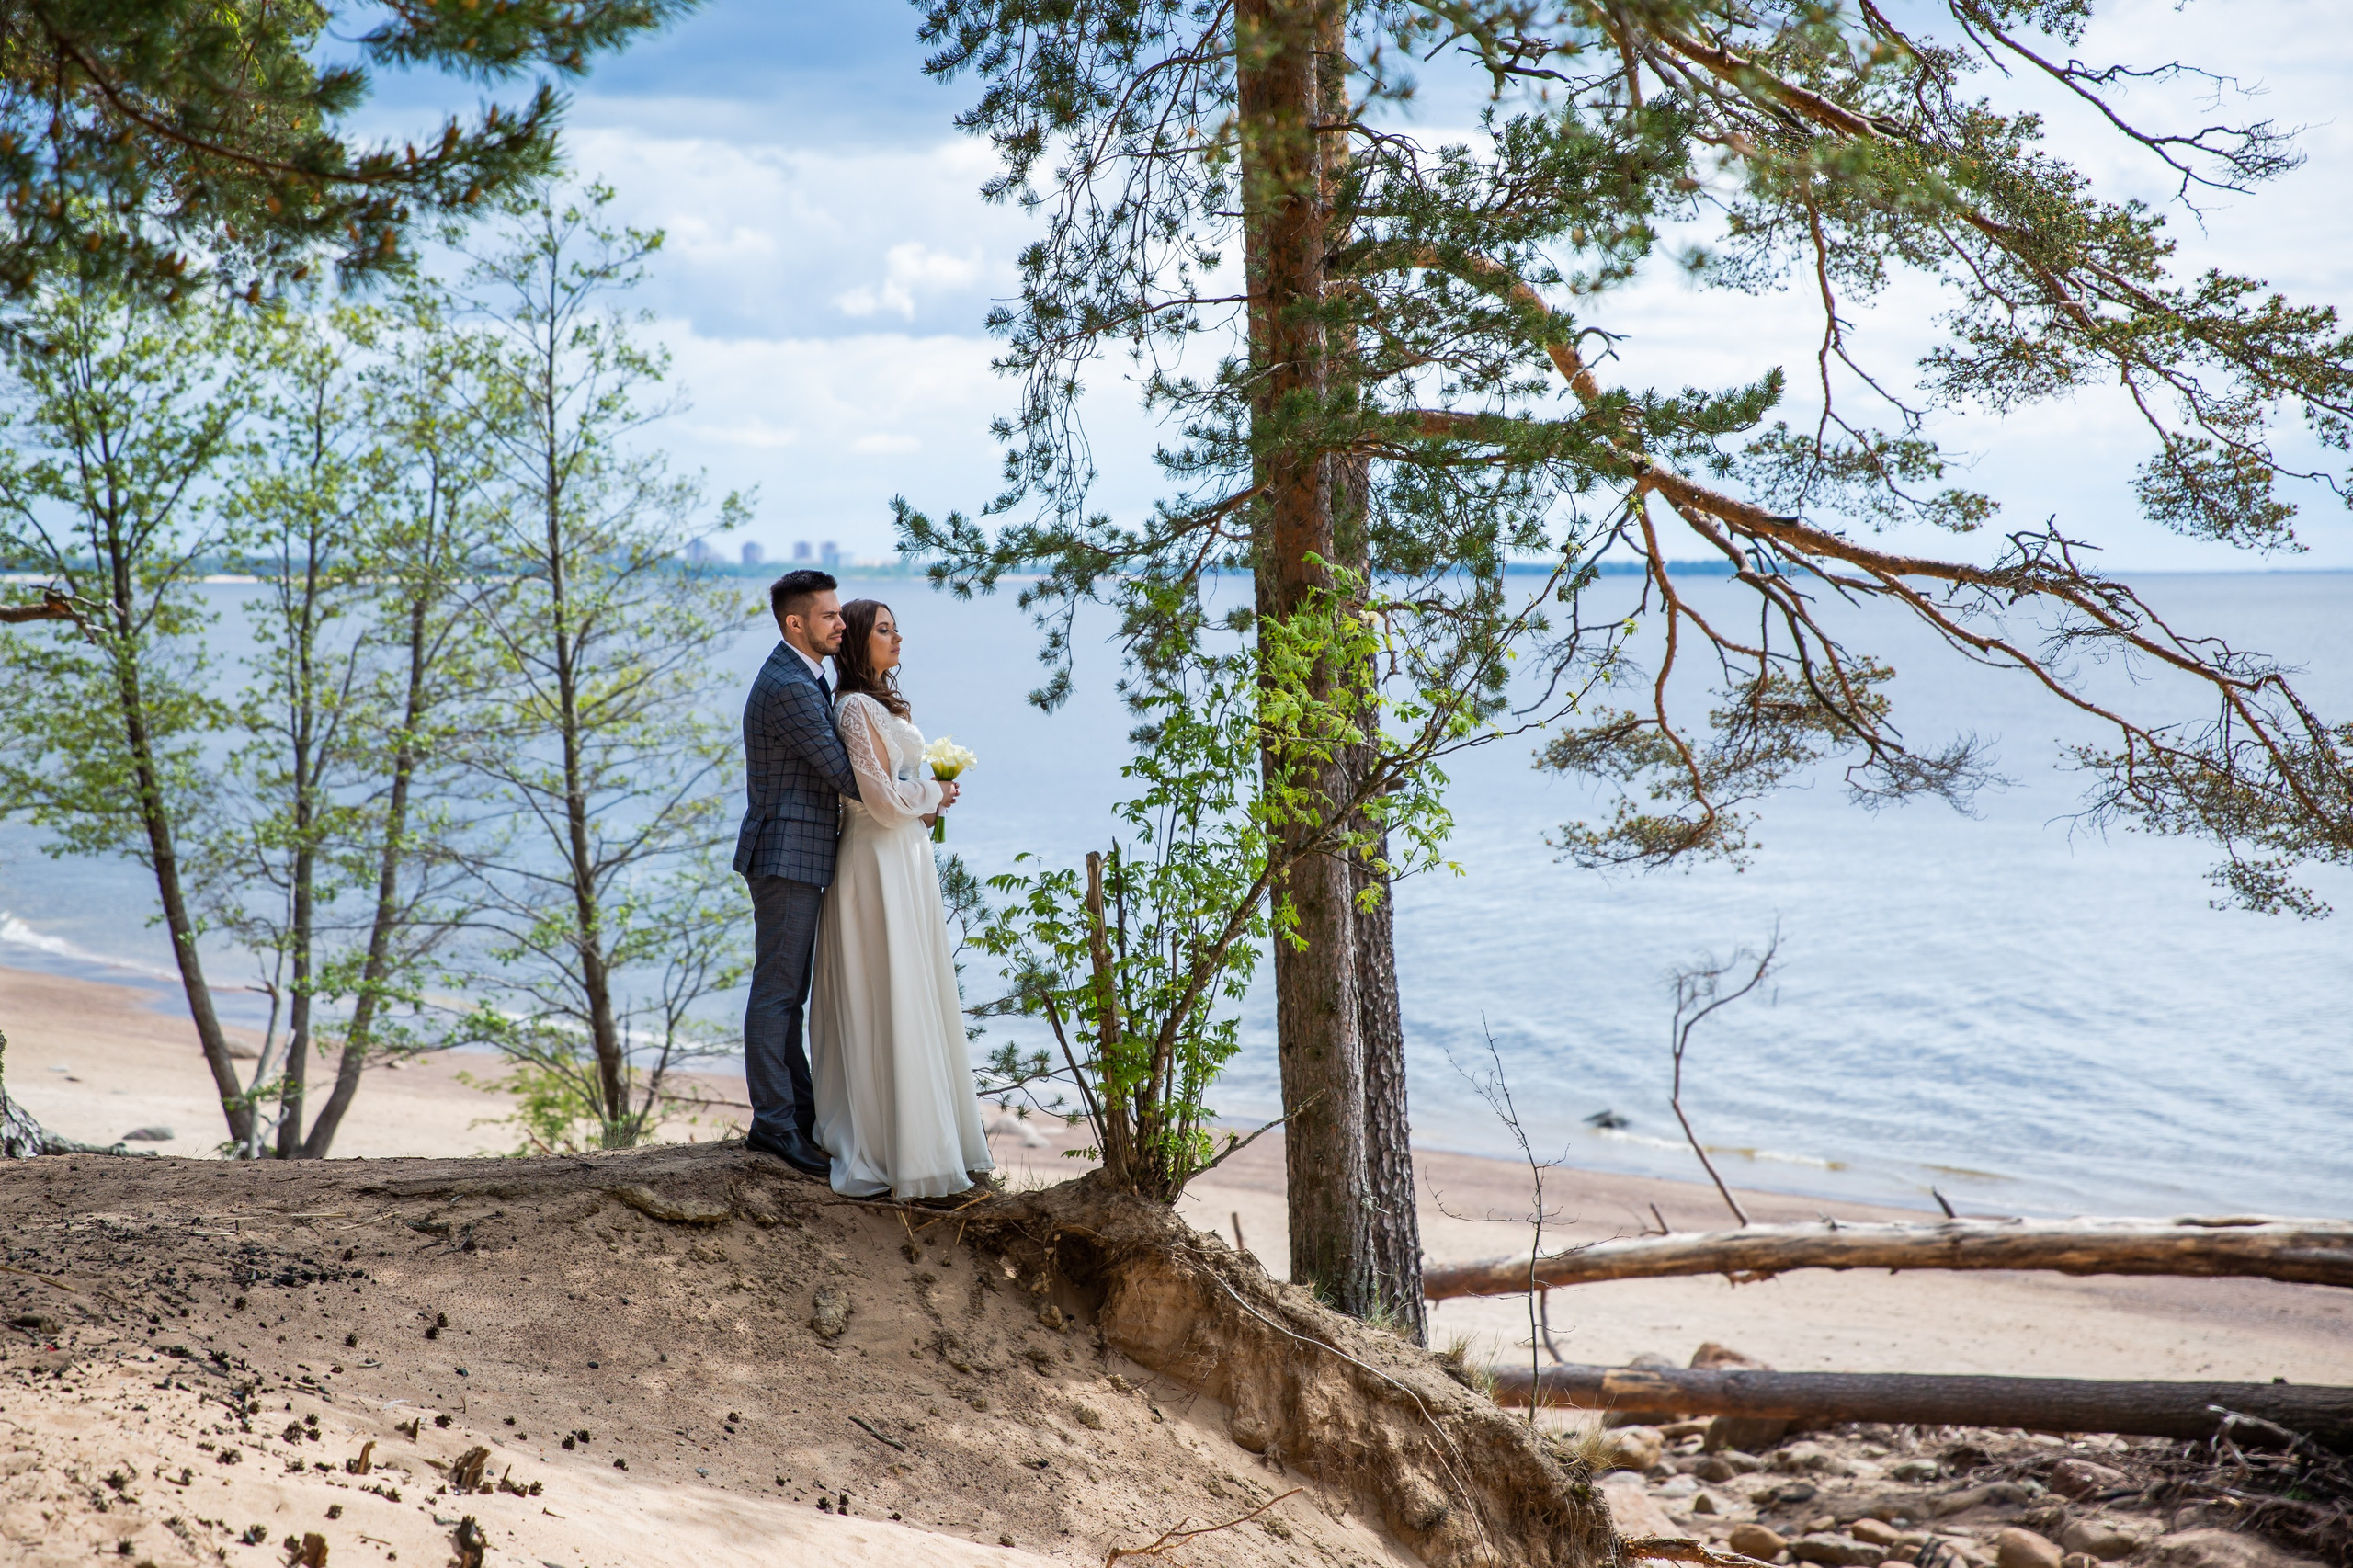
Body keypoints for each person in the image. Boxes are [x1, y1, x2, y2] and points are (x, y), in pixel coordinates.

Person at [808, 598, 995, 1199]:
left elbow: (898, 794)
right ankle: (895, 1142)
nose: (897, 638)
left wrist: (930, 798)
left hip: (904, 856)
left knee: (913, 986)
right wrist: (931, 794)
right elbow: (882, 802)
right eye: (883, 630)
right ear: (859, 641)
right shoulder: (855, 705)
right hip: (875, 856)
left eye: (896, 628)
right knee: (886, 986)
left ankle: (931, 1133)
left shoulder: (882, 704)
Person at [733, 570, 859, 1176]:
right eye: (831, 615)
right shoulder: (788, 686)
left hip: (797, 856)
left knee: (789, 996)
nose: (841, 623)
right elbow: (845, 773)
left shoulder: (803, 677)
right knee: (777, 993)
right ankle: (773, 1125)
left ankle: (798, 1117)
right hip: (786, 857)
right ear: (796, 623)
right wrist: (925, 791)